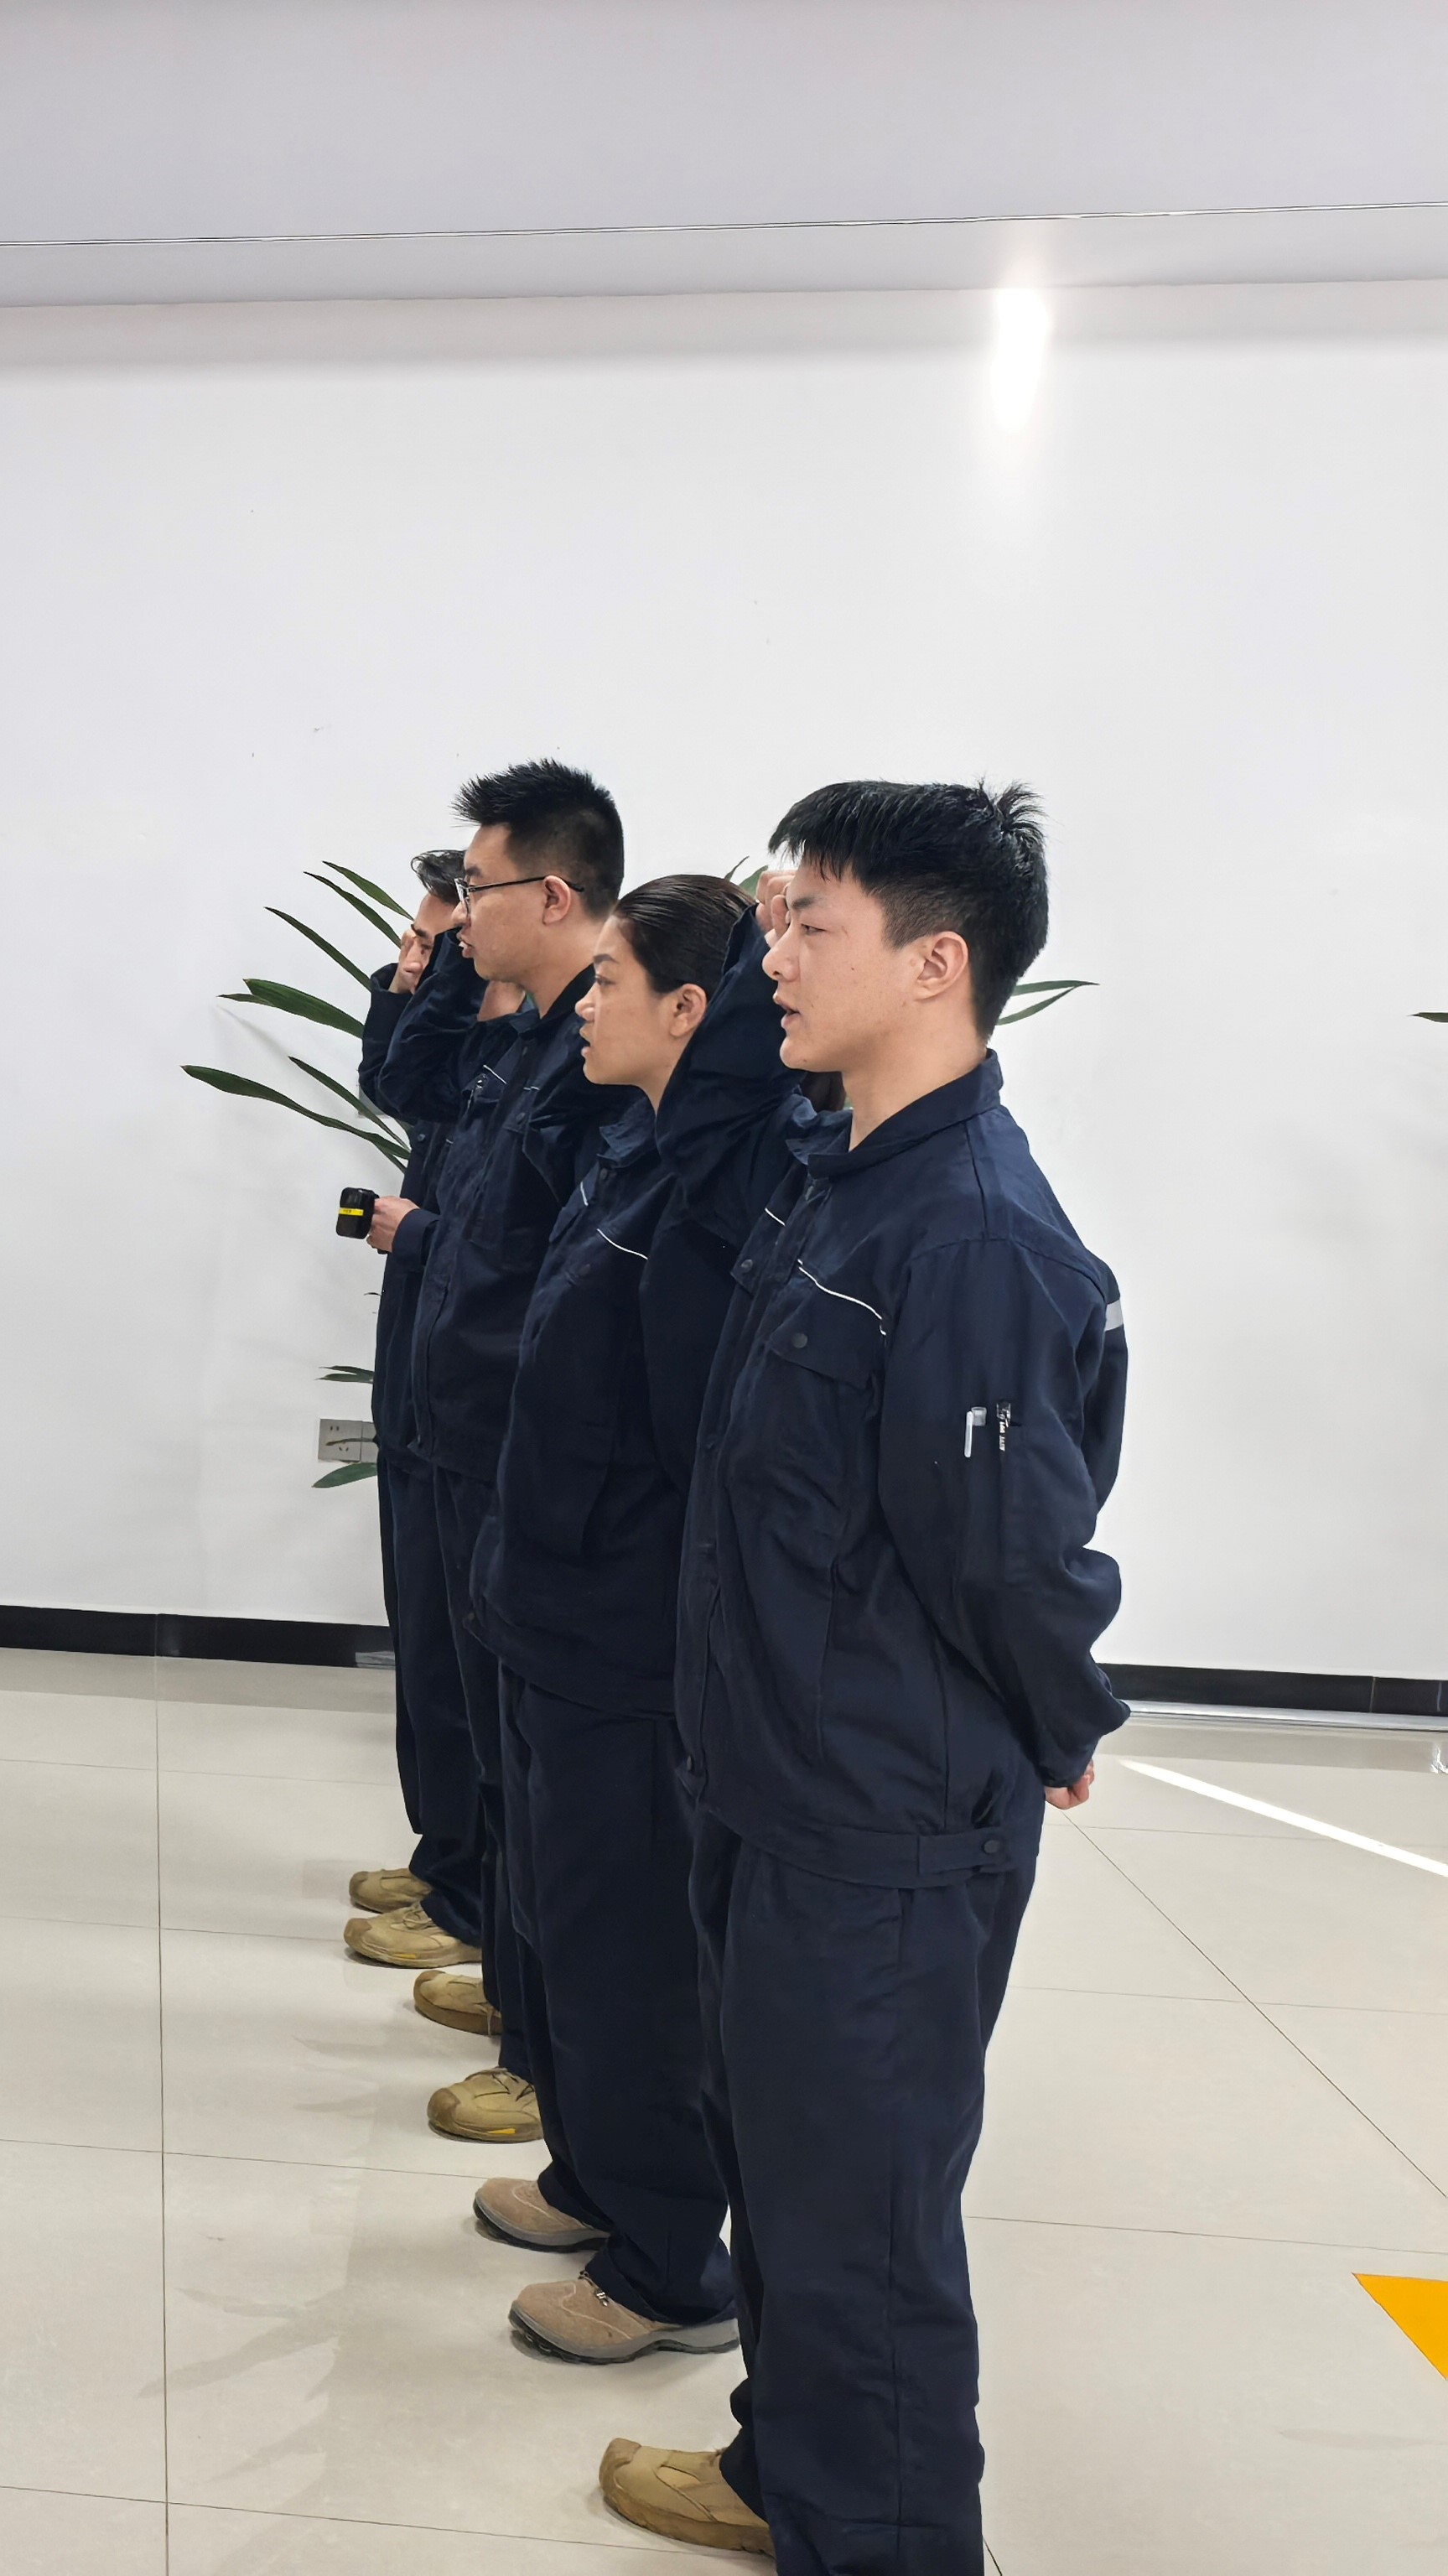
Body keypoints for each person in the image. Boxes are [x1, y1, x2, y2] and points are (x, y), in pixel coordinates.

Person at [598, 783, 1128, 2568]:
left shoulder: (968, 1233)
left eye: (808, 924)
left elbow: (1009, 1553)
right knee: (782, 2170)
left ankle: (881, 2537)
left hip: (879, 1822)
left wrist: (1059, 1721)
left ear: (933, 964)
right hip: (775, 1777)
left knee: (860, 2220)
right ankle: (791, 2472)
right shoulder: (847, 1180)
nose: (774, 958)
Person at [469, 870, 778, 2366]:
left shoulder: (711, 1200)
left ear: (692, 1011)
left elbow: (687, 1452)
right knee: (561, 1925)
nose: (586, 1001)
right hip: (551, 1613)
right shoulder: (631, 1151)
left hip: (627, 1645)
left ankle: (667, 2270)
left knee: (632, 1954)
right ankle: (594, 2180)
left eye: (612, 982)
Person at [353, 761, 630, 2154]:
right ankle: (501, 1955)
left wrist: (428, 1243)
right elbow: (412, 1093)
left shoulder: (600, 1061)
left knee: (539, 1768)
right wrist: (423, 971)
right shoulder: (530, 1043)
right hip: (456, 1414)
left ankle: (545, 2035)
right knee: (475, 1710)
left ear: (556, 895)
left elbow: (547, 1269)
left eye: (476, 891)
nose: (462, 918)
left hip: (521, 1441)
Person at [347, 847, 523, 2043]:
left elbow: (513, 1261)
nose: (413, 963)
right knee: (426, 1645)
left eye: (434, 940)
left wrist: (415, 1239)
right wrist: (421, 976)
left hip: (477, 1411)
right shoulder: (479, 1054)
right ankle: (445, 1859)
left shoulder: (550, 1068)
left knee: (467, 1670)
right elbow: (394, 1077)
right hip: (423, 1392)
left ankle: (472, 1894)